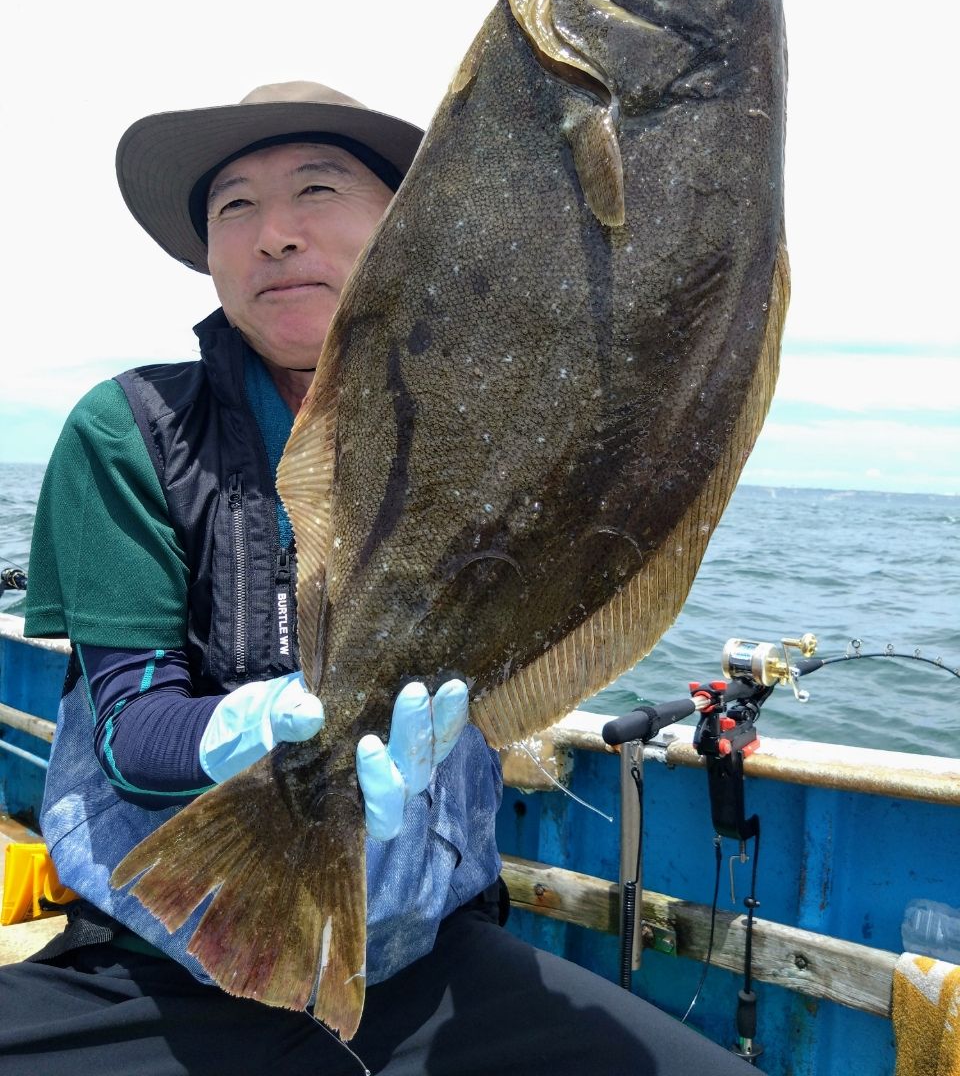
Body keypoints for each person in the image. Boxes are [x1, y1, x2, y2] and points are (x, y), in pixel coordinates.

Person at [0, 81, 764, 1075]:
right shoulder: (131, 428)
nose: (274, 233)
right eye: (235, 205)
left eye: (317, 189)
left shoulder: (500, 422)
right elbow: (130, 732)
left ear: (404, 226)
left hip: (425, 967)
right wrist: (275, 718)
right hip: (159, 965)